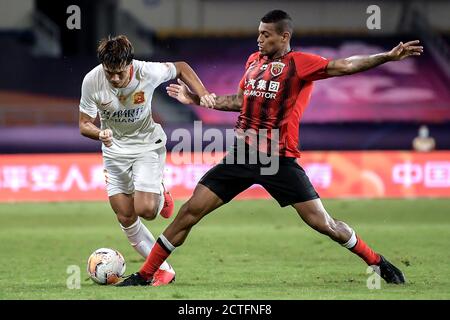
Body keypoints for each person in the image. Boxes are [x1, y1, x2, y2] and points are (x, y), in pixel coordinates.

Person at [117, 10, 423, 286]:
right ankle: (145, 275)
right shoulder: (254, 62)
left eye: (266, 34)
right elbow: (238, 102)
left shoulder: (300, 64)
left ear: (284, 36)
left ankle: (377, 262)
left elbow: (344, 65)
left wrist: (386, 56)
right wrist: (196, 98)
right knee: (188, 213)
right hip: (241, 154)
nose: (259, 39)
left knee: (324, 224)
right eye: (259, 33)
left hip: (278, 160)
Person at [79, 35, 215, 286]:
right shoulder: (92, 80)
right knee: (125, 216)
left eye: (120, 73)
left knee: (146, 210)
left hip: (146, 147)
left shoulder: (147, 71)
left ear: (130, 64)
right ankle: (164, 270)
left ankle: (161, 193)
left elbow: (182, 67)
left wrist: (203, 93)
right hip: (113, 153)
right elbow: (83, 123)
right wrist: (99, 133)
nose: (115, 79)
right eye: (110, 73)